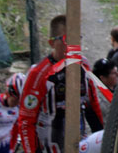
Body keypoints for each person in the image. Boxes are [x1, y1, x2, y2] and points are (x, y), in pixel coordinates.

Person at [18, 14, 104, 152]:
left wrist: (103, 142)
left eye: (78, 38)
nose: (74, 44)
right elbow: (26, 121)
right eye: (67, 39)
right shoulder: (39, 74)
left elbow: (92, 106)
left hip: (78, 145)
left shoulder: (83, 66)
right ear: (52, 43)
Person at [0, 73, 25, 153]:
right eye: (15, 99)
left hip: (5, 144)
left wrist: (11, 149)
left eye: (20, 101)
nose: (16, 103)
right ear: (8, 93)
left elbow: (16, 129)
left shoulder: (18, 108)